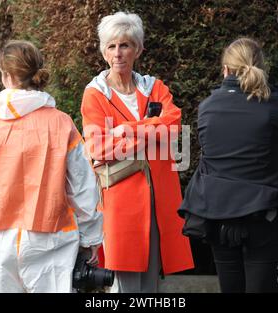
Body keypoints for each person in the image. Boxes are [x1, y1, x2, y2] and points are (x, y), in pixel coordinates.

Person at [179, 37, 278, 293]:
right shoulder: (275, 105)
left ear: (225, 70)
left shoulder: (206, 107)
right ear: (262, 68)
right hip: (264, 217)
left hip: (217, 215)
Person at [0, 40, 103, 293]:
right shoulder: (60, 123)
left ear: (6, 75)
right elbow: (82, 186)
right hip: (52, 237)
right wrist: (91, 237)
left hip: (1, 236)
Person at [81, 12, 194, 293]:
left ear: (138, 49)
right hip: (120, 204)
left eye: (125, 45)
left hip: (160, 201)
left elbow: (173, 125)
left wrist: (127, 130)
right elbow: (98, 147)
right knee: (125, 287)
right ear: (103, 51)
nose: (118, 53)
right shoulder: (95, 94)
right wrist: (149, 136)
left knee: (151, 287)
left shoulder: (154, 86)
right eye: (111, 46)